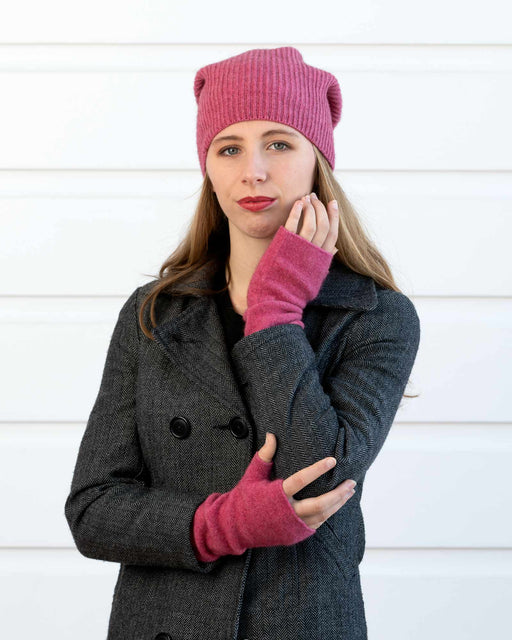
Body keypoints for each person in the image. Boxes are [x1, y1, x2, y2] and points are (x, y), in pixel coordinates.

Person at [64, 46, 421, 640]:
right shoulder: (154, 313)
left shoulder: (376, 316)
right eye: (229, 148)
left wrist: (275, 306)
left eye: (279, 144)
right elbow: (92, 510)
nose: (253, 170)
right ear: (208, 167)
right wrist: (221, 524)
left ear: (317, 161)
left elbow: (321, 479)